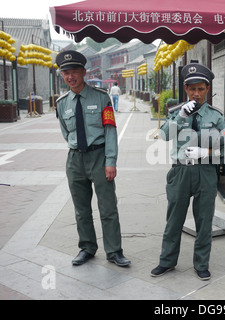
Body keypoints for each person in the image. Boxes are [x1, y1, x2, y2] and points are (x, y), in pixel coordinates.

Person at [151, 63, 225, 280]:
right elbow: (164, 135)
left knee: (204, 221)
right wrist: (180, 116)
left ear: (207, 89)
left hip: (206, 171)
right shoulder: (176, 112)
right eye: (192, 89)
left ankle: (201, 263)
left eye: (201, 89)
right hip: (180, 172)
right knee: (174, 220)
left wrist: (205, 151)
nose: (196, 93)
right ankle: (167, 261)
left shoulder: (215, 115)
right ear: (186, 89)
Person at [55, 50, 131, 267]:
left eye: (74, 72)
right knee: (81, 209)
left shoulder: (101, 97)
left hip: (99, 157)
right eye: (66, 73)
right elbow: (65, 133)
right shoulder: (61, 103)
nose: (70, 77)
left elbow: (110, 131)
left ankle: (114, 251)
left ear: (83, 72)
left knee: (108, 207)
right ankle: (87, 247)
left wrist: (110, 160)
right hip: (75, 160)